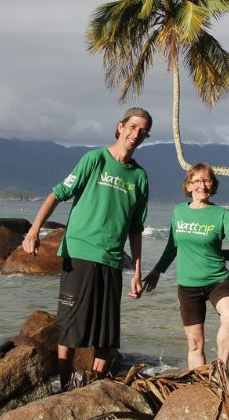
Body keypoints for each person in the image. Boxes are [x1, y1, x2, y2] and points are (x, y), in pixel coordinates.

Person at [21, 107, 151, 391]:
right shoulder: (94, 159)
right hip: (79, 252)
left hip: (113, 259)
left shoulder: (139, 177)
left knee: (106, 334)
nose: (136, 134)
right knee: (70, 326)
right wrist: (34, 231)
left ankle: (93, 387)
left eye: (142, 131)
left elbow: (135, 229)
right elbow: (57, 193)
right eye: (132, 127)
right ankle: (66, 387)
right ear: (120, 127)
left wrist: (138, 272)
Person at [144, 163, 229, 370]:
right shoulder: (179, 212)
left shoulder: (221, 214)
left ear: (213, 185)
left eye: (207, 180)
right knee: (195, 344)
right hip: (188, 285)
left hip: (217, 280)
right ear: (189, 185)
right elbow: (172, 246)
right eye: (197, 181)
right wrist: (158, 270)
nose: (203, 185)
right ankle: (200, 385)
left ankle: (220, 369)